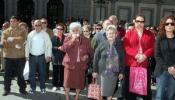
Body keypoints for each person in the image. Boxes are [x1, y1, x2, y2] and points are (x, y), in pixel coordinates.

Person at [123, 14, 155, 100]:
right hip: (131, 64)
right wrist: (136, 55)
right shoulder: (129, 33)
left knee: (145, 90)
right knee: (130, 90)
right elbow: (126, 47)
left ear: (144, 23)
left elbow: (152, 47)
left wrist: (145, 55)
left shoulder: (150, 34)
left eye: (142, 21)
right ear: (134, 22)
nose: (140, 23)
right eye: (138, 21)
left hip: (144, 64)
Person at [58, 22, 92, 100]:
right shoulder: (67, 38)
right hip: (69, 64)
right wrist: (72, 40)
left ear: (80, 31)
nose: (75, 32)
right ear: (71, 31)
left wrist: (86, 56)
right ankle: (67, 97)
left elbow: (90, 52)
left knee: (78, 83)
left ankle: (76, 97)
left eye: (77, 30)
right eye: (73, 30)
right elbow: (64, 49)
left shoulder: (85, 40)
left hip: (80, 65)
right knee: (67, 82)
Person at [92, 25, 125, 100]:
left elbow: (123, 59)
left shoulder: (119, 45)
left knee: (110, 92)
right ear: (106, 35)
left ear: (116, 34)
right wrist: (94, 71)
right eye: (109, 33)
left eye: (113, 33)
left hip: (113, 73)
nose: (111, 35)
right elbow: (95, 58)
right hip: (102, 72)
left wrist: (121, 72)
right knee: (100, 92)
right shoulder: (102, 44)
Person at [1, 16, 27, 96]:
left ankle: (22, 89)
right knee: (7, 75)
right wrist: (15, 43)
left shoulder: (22, 31)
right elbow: (3, 42)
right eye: (11, 21)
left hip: (20, 57)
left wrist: (12, 39)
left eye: (14, 21)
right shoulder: (5, 31)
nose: (13, 22)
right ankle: (6, 89)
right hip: (8, 57)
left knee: (20, 75)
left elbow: (22, 39)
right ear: (10, 22)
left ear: (18, 22)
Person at [25, 19, 52, 94]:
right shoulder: (30, 34)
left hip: (41, 57)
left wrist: (48, 56)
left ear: (41, 26)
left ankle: (43, 88)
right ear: (33, 26)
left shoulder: (45, 34)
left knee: (42, 74)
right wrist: (26, 55)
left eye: (39, 25)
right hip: (32, 57)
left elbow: (49, 46)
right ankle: (32, 88)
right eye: (36, 25)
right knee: (32, 74)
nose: (37, 27)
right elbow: (27, 46)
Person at [154, 15, 175, 100]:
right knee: (160, 96)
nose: (169, 25)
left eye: (172, 23)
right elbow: (157, 55)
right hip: (161, 71)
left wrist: (173, 68)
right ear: (164, 25)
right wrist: (168, 68)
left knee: (171, 96)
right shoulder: (159, 38)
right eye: (167, 23)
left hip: (174, 72)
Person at [51, 23, 65, 91]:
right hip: (55, 57)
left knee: (62, 72)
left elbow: (67, 46)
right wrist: (58, 48)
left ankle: (61, 85)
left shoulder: (66, 38)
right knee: (55, 72)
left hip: (63, 57)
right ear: (56, 29)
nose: (59, 30)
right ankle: (54, 85)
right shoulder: (53, 37)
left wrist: (63, 48)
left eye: (61, 29)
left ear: (63, 30)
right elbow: (51, 47)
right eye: (58, 29)